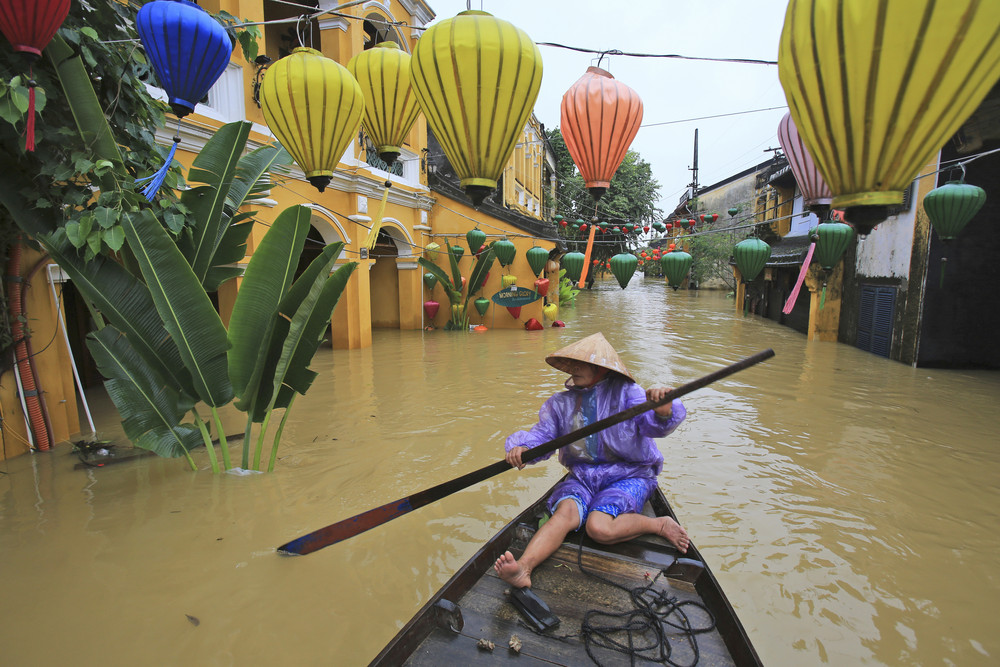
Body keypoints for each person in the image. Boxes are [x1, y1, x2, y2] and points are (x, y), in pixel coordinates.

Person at [494, 332, 690, 590]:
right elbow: (543, 437)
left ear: (600, 369)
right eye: (572, 363)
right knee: (564, 514)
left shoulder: (627, 394)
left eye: (581, 363)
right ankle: (523, 568)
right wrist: (523, 448)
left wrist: (663, 411)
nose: (574, 368)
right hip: (583, 476)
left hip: (629, 474)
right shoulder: (560, 404)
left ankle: (659, 523)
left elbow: (652, 426)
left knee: (598, 528)